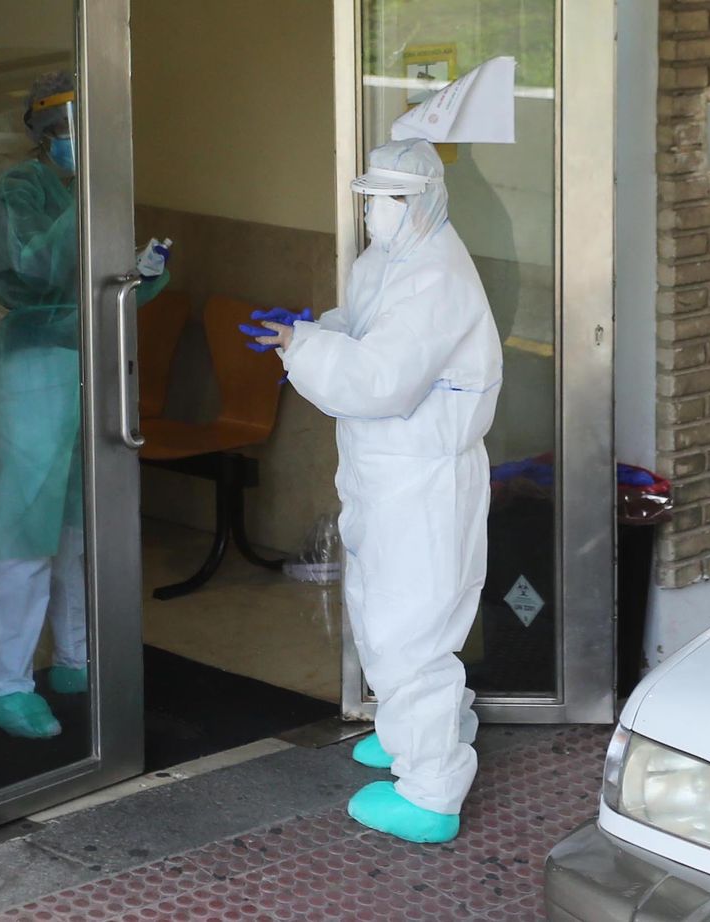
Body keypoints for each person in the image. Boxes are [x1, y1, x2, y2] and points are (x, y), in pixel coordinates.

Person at [244, 138, 501, 843]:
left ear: (417, 201)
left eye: (384, 200)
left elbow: (380, 379)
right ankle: (408, 731)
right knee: (376, 605)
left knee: (409, 625)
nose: (372, 213)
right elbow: (359, 334)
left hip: (423, 471)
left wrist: (303, 352)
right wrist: (298, 332)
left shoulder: (436, 278)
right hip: (384, 467)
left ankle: (431, 788)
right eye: (370, 199)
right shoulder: (389, 261)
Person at [0, 72, 169, 739]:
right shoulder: (22, 191)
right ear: (50, 136)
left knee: (82, 528)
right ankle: (6, 681)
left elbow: (100, 291)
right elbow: (33, 275)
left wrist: (144, 278)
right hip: (33, 369)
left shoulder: (92, 191)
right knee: (21, 533)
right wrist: (87, 209)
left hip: (87, 363)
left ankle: (78, 657)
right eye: (76, 134)